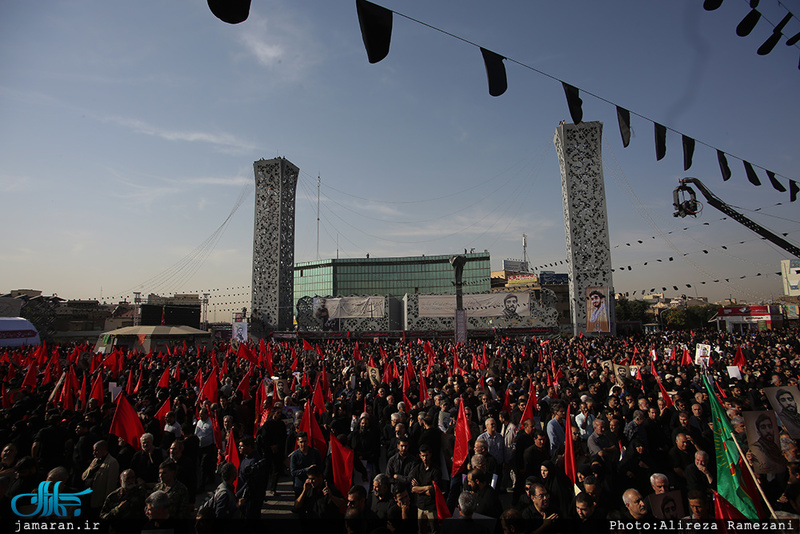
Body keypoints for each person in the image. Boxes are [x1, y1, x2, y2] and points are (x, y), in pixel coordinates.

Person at [100, 469, 147, 534]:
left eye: (133, 478)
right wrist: (117, 510)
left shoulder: (141, 493)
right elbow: (103, 517)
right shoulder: (113, 497)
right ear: (121, 481)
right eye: (128, 478)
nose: (131, 481)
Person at [82, 440, 120, 517]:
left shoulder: (112, 463)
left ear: (103, 450)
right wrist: (91, 469)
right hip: (88, 497)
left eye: (96, 450)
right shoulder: (95, 461)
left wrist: (106, 501)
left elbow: (111, 484)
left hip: (98, 500)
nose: (94, 453)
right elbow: (83, 476)